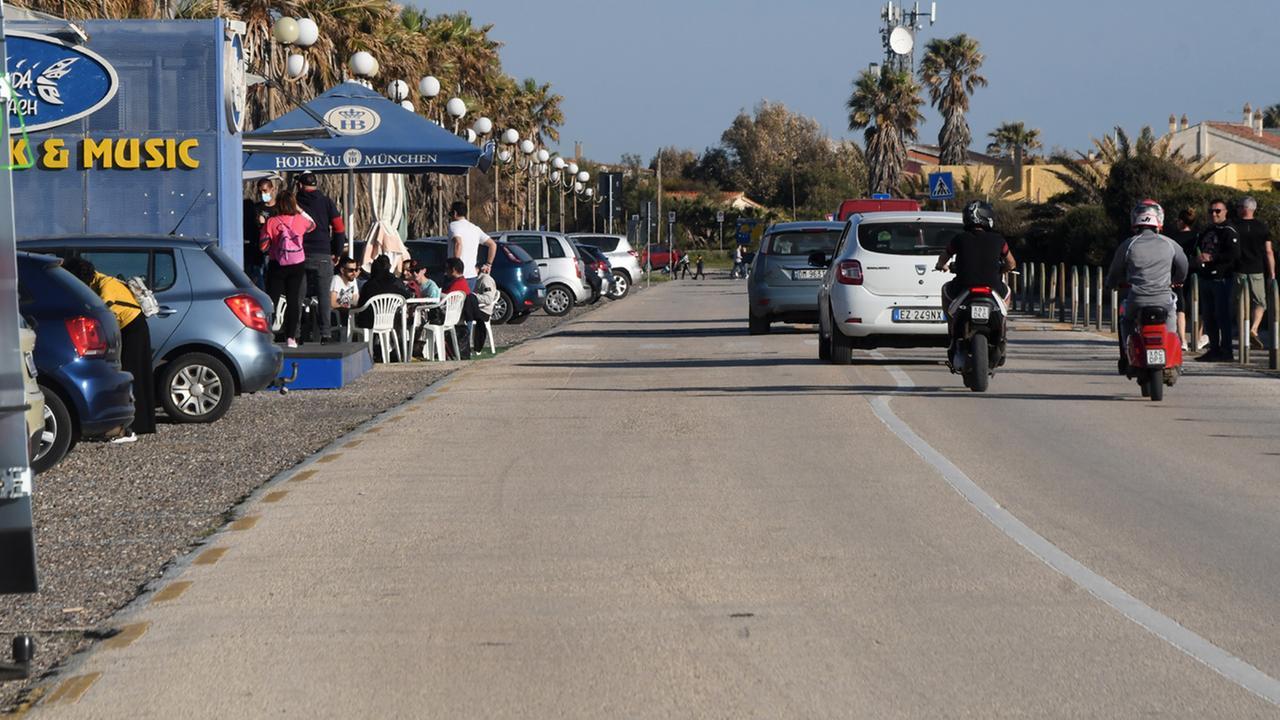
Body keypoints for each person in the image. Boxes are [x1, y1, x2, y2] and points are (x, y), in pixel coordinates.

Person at [62, 257, 155, 441]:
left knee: (131, 374)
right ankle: (138, 425)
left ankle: (131, 428)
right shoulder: (98, 279)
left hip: (133, 329)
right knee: (134, 374)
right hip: (129, 328)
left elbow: (102, 313)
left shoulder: (106, 285)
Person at [1106, 201, 1188, 373]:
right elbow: (1183, 265)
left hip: (1137, 298)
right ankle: (1172, 362)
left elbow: (1115, 270)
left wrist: (1111, 284)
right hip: (1164, 298)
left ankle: (1126, 357)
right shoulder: (1170, 243)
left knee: (1126, 321)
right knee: (1171, 321)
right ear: (1159, 221)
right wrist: (1177, 280)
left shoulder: (1128, 244)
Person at [933, 200, 1016, 357]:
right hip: (992, 289)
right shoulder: (999, 240)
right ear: (987, 218)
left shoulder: (959, 239)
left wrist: (941, 266)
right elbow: (1011, 263)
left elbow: (944, 257)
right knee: (1007, 292)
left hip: (964, 288)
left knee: (945, 289)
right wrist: (1002, 269)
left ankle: (951, 326)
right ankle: (1002, 327)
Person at [294, 171, 347, 343]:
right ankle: (325, 334)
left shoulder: (294, 202)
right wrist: (337, 252)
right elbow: (339, 229)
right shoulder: (326, 202)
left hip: (299, 254)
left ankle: (294, 334)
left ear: (301, 185)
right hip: (323, 254)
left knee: (298, 295)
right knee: (324, 296)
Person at [260, 188, 314, 348]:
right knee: (293, 301)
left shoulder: (272, 222)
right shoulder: (300, 220)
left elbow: (262, 246)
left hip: (278, 265)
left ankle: (267, 334)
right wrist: (299, 208)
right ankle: (291, 337)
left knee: (272, 301)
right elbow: (313, 225)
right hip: (297, 264)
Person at [1193, 198, 1240, 361]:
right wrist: (1198, 257)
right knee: (1208, 316)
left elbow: (1233, 254)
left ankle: (1226, 351)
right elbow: (1198, 247)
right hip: (1205, 278)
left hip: (1221, 278)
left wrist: (1212, 257)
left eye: (1218, 211)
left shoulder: (1229, 230)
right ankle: (1214, 349)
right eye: (1211, 211)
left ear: (1225, 212)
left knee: (1222, 315)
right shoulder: (1208, 230)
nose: (1214, 214)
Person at [1233, 196, 1274, 350]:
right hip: (1257, 270)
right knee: (1260, 302)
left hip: (1238, 270)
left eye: (1238, 206)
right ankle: (1254, 328)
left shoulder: (1234, 226)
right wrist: (1272, 274)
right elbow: (1269, 251)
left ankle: (1244, 333)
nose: (1236, 209)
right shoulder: (1262, 227)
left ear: (1245, 208)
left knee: (1240, 303)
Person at [1166, 208, 1199, 350]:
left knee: (1180, 307)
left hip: (1177, 274)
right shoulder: (1197, 236)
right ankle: (1197, 338)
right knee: (1197, 305)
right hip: (1195, 272)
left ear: (1181, 221)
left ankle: (1182, 339)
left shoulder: (1172, 238)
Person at [447, 201, 497, 290]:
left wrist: (455, 268)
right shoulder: (475, 228)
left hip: (457, 275)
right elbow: (492, 244)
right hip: (472, 275)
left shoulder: (453, 225)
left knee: (453, 302)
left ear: (454, 213)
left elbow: (458, 244)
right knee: (467, 301)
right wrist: (488, 264)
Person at [243, 177, 278, 290]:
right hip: (258, 251)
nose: (263, 194)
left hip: (274, 251)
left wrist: (265, 224)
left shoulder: (279, 208)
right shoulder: (256, 208)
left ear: (272, 189)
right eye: (260, 192)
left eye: (265, 191)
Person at [330, 255, 360, 332]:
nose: (354, 273)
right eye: (351, 270)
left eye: (356, 269)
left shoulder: (353, 280)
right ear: (342, 270)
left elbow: (355, 300)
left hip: (348, 312)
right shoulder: (336, 279)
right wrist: (347, 307)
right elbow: (332, 303)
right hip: (336, 314)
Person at [472, 270, 499, 352]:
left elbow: (488, 299)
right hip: (476, 308)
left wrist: (473, 296)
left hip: (484, 310)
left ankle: (473, 347)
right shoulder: (475, 279)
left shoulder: (485, 280)